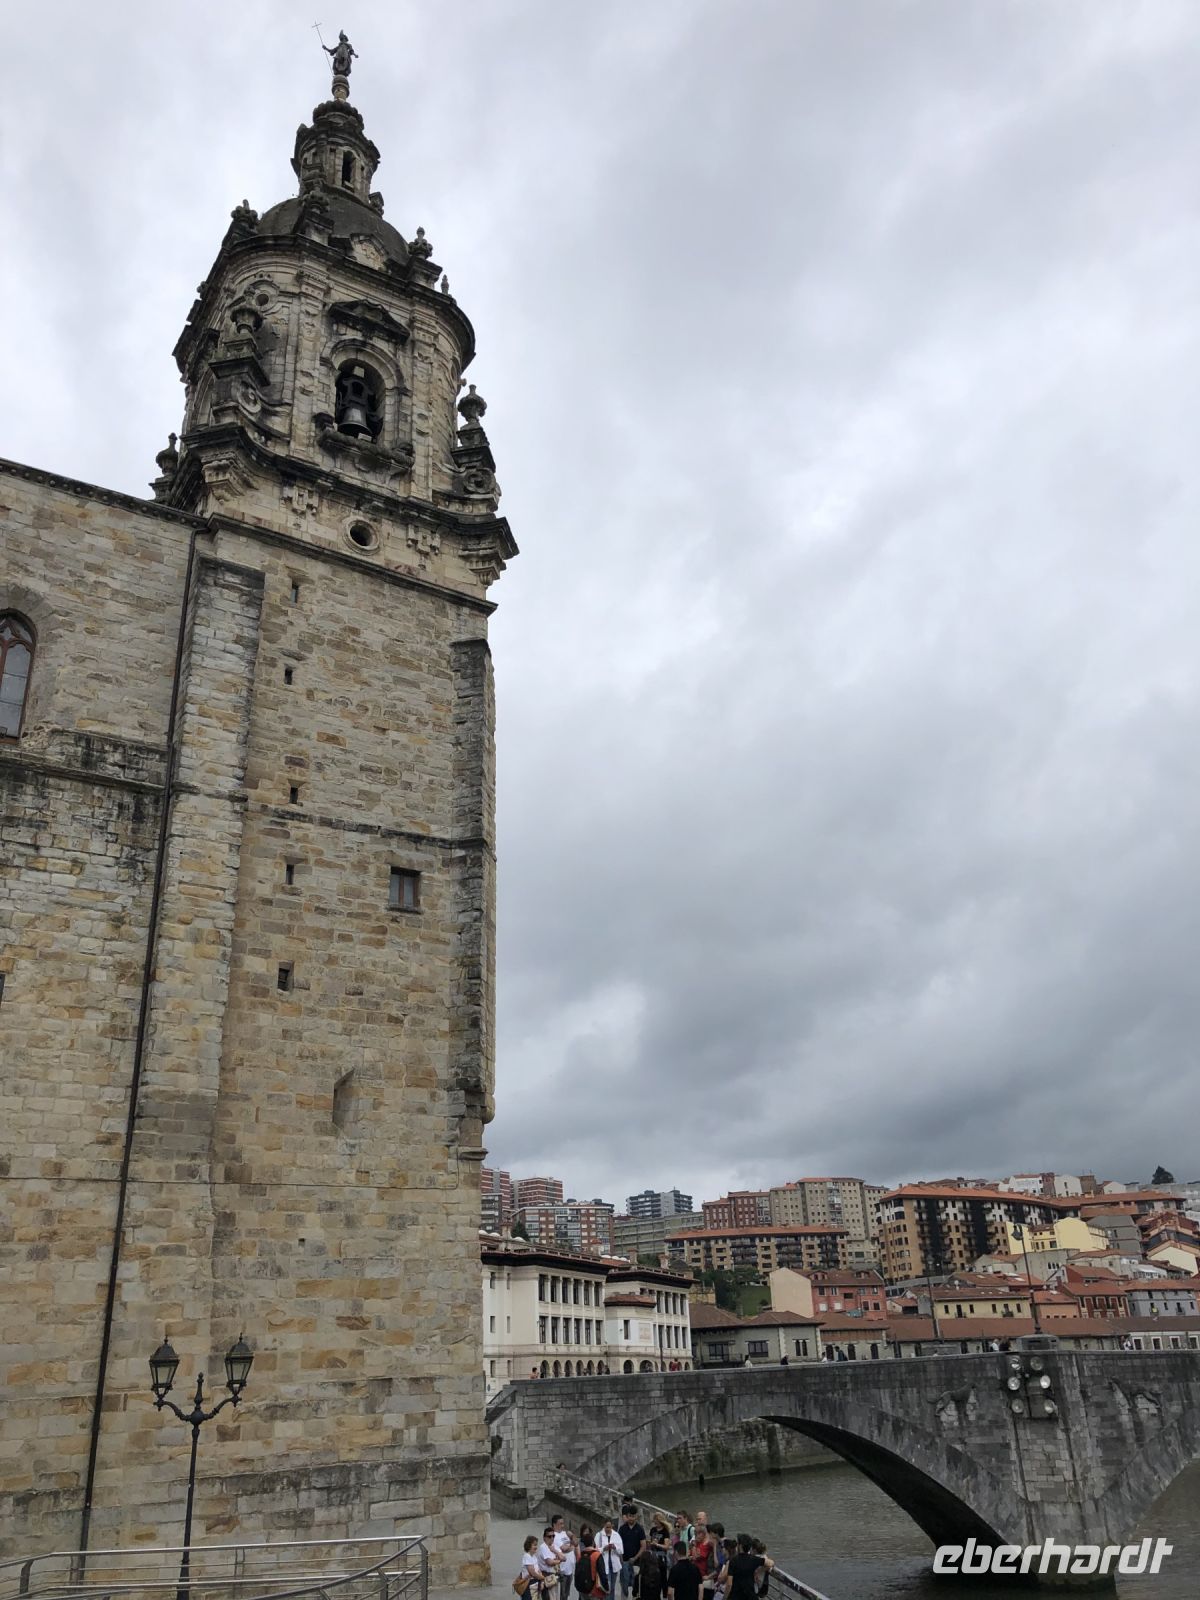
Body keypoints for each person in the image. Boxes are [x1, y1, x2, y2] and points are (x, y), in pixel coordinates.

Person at [725, 1535, 772, 1600]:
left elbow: (729, 1584)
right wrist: (759, 1570)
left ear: (740, 1546)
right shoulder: (754, 1559)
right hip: (750, 1596)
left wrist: (725, 1598)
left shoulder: (733, 1561)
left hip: (736, 1596)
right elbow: (770, 1563)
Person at [618, 1505, 648, 1598]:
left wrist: (635, 1557)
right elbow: (619, 1545)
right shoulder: (622, 1529)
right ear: (627, 1516)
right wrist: (621, 1559)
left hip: (637, 1562)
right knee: (624, 1583)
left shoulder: (640, 1529)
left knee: (636, 1584)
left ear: (636, 1516)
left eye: (633, 1516)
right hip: (624, 1560)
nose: (631, 1518)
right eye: (630, 1516)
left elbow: (643, 1546)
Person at [576, 1530, 609, 1599]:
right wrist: (606, 1588)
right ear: (593, 1542)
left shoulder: (580, 1555)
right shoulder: (596, 1555)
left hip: (582, 1589)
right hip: (594, 1590)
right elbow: (602, 1574)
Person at [596, 1519, 623, 1597]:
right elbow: (596, 1550)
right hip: (604, 1565)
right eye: (606, 1527)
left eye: (609, 1527)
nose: (608, 1529)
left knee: (613, 1587)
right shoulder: (599, 1535)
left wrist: (615, 1547)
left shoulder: (616, 1535)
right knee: (607, 1587)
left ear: (612, 1526)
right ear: (604, 1526)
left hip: (614, 1565)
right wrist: (604, 1549)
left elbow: (621, 1551)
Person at [552, 1515, 577, 1592]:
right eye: (560, 1524)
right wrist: (572, 1546)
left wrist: (572, 1536)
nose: (563, 1526)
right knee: (562, 1594)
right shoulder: (553, 1536)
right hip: (562, 1570)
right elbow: (564, 1549)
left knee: (566, 1594)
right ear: (554, 1524)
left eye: (563, 1523)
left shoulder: (565, 1533)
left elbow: (576, 1543)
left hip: (570, 1568)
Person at [538, 1526, 562, 1600]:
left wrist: (555, 1551)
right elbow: (549, 1562)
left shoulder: (554, 1546)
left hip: (554, 1576)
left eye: (553, 1536)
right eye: (549, 1536)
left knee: (555, 1597)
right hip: (547, 1577)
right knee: (548, 1597)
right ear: (544, 1537)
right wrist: (558, 1561)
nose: (552, 1538)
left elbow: (564, 1558)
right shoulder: (543, 1547)